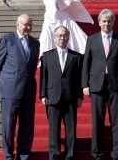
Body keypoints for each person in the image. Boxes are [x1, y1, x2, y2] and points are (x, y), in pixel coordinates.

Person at [82, 9, 118, 160]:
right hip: (96, 85)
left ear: (113, 22)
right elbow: (86, 63)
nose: (106, 23)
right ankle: (97, 152)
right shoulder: (91, 39)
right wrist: (85, 84)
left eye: (109, 21)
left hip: (115, 85)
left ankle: (117, 152)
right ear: (99, 23)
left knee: (116, 120)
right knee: (97, 120)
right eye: (104, 21)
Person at [0, 14, 40, 160]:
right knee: (8, 125)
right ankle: (8, 155)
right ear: (17, 25)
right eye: (25, 24)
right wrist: (5, 84)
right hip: (10, 90)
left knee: (27, 126)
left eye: (30, 25)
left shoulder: (35, 43)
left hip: (28, 90)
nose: (28, 27)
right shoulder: (7, 40)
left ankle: (23, 155)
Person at [40, 26, 83, 160]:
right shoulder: (47, 56)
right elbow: (44, 77)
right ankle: (54, 154)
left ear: (68, 38)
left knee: (71, 129)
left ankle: (70, 155)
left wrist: (80, 96)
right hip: (53, 97)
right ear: (54, 37)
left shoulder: (76, 57)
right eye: (59, 35)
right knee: (54, 129)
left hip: (70, 97)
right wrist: (43, 95)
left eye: (65, 35)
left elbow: (79, 78)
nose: (62, 38)